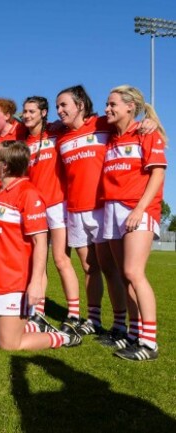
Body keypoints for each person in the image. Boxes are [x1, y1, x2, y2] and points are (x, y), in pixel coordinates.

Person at [0, 140, 82, 350]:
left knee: (9, 345)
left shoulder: (28, 194)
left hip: (12, 281)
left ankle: (63, 337)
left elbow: (41, 242)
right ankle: (31, 325)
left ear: (5, 165)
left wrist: (35, 283)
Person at [54, 85, 127, 337]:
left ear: (81, 105)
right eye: (57, 107)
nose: (59, 111)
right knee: (89, 268)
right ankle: (93, 320)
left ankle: (119, 325)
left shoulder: (102, 123)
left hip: (101, 208)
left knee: (109, 267)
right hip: (75, 210)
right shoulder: (61, 137)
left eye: (64, 105)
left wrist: (148, 123)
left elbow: (129, 123)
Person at [101, 85, 167, 361]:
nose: (107, 109)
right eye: (107, 104)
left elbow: (158, 174)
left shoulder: (146, 132)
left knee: (133, 272)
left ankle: (149, 344)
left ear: (131, 106)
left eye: (112, 104)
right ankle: (133, 334)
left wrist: (140, 209)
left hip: (137, 209)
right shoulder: (110, 138)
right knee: (124, 275)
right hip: (112, 209)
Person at [21, 96, 80, 331]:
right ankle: (38, 312)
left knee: (60, 259)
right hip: (35, 208)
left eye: (31, 111)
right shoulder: (24, 140)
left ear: (44, 113)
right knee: (38, 261)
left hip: (57, 204)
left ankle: (74, 315)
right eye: (24, 111)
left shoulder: (57, 131)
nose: (26, 115)